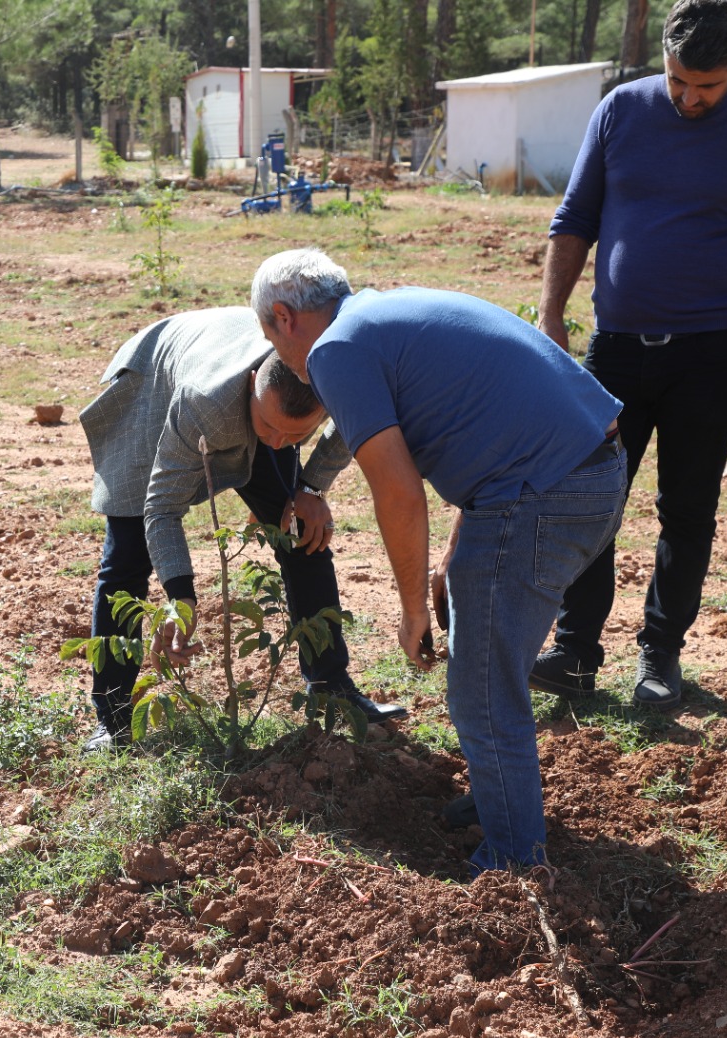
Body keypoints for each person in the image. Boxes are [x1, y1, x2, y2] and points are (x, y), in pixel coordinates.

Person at [252, 248, 626, 873]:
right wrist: (454, 555)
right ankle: (498, 798)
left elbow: (398, 493)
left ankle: (512, 864)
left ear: (286, 317)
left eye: (269, 335)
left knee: (482, 682)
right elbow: (481, 428)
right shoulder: (383, 313)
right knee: (486, 656)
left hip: (546, 491)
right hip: (585, 468)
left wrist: (409, 612)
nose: (278, 355)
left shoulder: (334, 350)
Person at [532, 0, 727, 709]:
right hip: (615, 351)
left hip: (708, 353)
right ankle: (575, 651)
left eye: (706, 87)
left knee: (688, 510)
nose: (687, 97)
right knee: (591, 501)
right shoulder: (621, 110)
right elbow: (576, 217)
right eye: (677, 80)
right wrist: (551, 313)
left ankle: (661, 655)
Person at [77, 306, 405, 753]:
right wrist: (181, 597)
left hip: (248, 392)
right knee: (128, 557)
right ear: (254, 384)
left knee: (300, 533)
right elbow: (161, 507)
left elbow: (355, 423)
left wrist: (310, 486)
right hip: (158, 380)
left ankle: (333, 688)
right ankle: (112, 721)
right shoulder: (204, 403)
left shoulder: (329, 377)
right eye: (269, 428)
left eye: (293, 436)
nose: (275, 443)